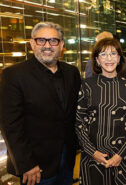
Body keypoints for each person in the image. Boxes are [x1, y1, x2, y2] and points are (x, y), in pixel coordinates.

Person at [0, 22, 81, 185]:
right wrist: (26, 164)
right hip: (36, 166)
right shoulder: (14, 75)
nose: (47, 46)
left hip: (68, 158)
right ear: (32, 44)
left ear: (61, 45)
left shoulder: (71, 72)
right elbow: (10, 125)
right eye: (41, 40)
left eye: (53, 41)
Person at [75, 38, 126, 185]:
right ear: (97, 60)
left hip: (123, 157)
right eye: (103, 54)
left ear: (119, 59)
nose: (109, 58)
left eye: (113, 53)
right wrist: (93, 152)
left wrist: (119, 155)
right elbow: (79, 123)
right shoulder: (87, 86)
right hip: (93, 157)